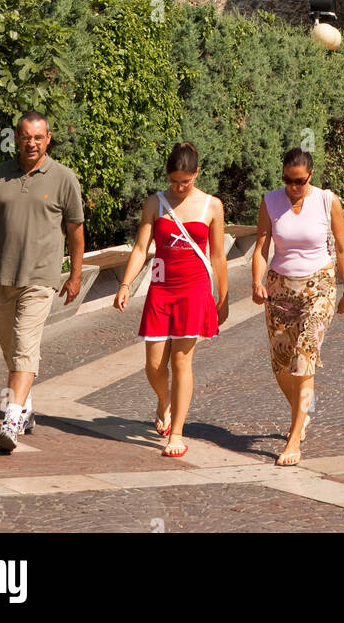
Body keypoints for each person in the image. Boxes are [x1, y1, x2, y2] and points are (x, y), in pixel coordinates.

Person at [0, 111, 84, 454]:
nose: (31, 143)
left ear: (48, 139)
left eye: (38, 137)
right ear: (15, 138)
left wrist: (74, 275)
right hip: (1, 277)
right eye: (25, 137)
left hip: (40, 279)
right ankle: (26, 406)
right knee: (11, 349)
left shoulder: (63, 178)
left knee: (24, 347)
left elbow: (76, 231)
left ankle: (11, 421)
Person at [116, 141, 228, 458]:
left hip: (194, 291)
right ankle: (163, 400)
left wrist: (224, 296)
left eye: (186, 181)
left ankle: (176, 433)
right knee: (153, 365)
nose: (179, 187)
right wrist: (126, 283)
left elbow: (218, 256)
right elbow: (141, 248)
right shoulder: (155, 202)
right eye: (174, 181)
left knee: (182, 361)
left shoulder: (212, 206)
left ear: (197, 174)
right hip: (161, 289)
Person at [252, 148, 344, 466]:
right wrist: (257, 281)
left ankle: (294, 438)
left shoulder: (327, 201)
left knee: (303, 359)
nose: (292, 187)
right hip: (279, 288)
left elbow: (341, 248)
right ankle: (302, 411)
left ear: (311, 176)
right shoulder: (271, 201)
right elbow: (261, 247)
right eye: (287, 180)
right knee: (281, 366)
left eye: (298, 181)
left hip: (319, 287)